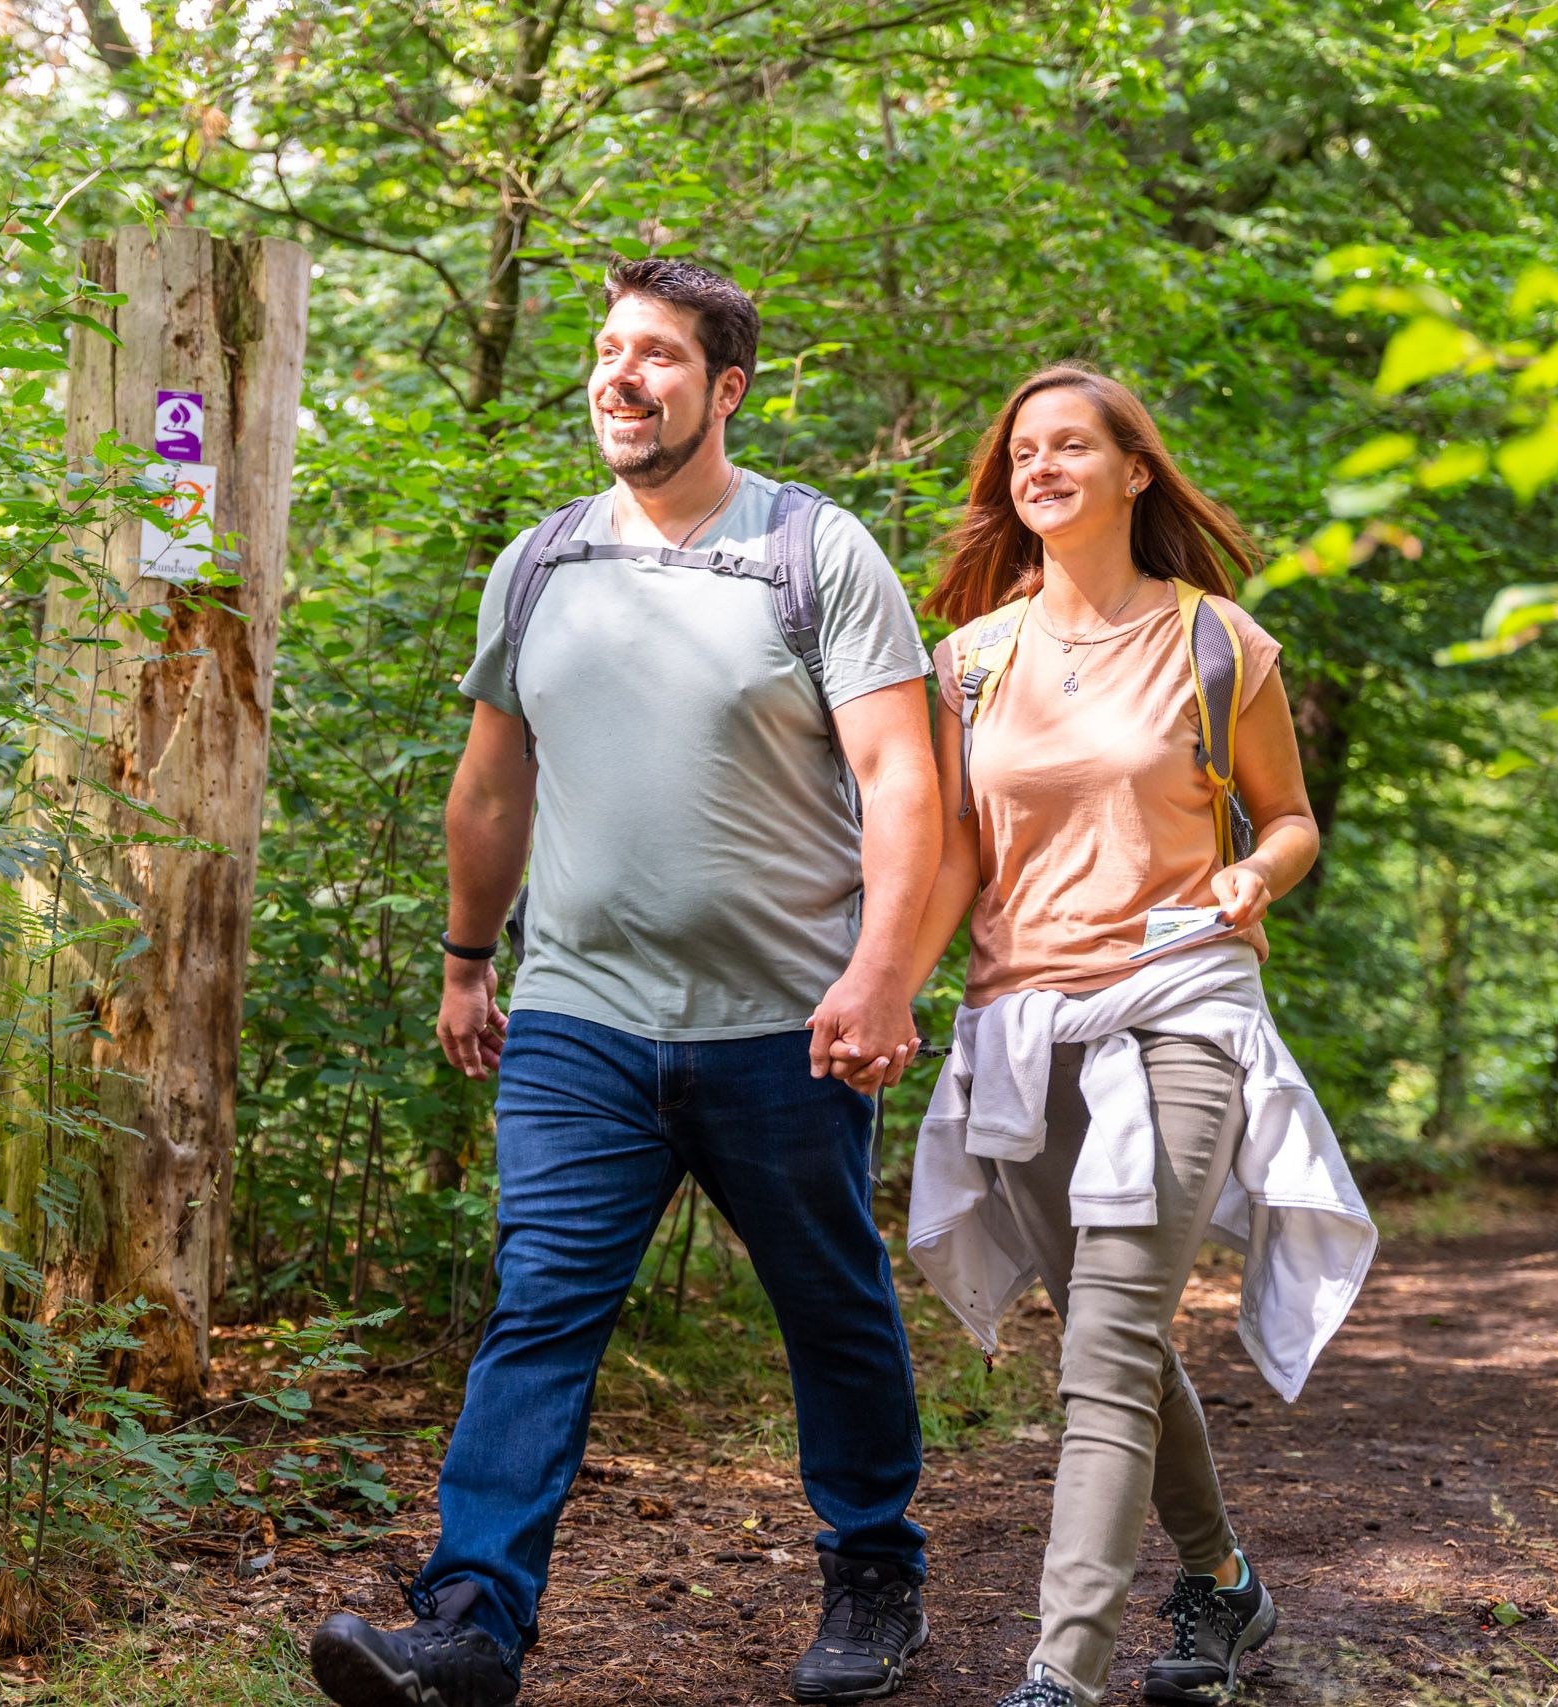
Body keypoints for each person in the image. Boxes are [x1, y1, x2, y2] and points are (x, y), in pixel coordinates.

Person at [306, 258, 941, 1707]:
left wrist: (883, 974)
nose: (619, 375)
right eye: (606, 349)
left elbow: (902, 779)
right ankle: (470, 1626)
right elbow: (491, 787)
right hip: (578, 1021)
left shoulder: (816, 550)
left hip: (786, 1024)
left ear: (726, 388)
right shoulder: (539, 565)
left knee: (830, 1304)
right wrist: (468, 962)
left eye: (656, 354)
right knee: (537, 1307)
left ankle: (873, 1573)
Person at [891, 365, 1377, 1707]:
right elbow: (956, 858)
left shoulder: (1219, 642)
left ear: (1134, 471)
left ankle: (1063, 1672)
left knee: (1103, 1350)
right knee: (1115, 1340)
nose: (1039, 468)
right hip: (1021, 1027)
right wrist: (889, 994)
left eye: (1069, 446)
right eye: (1021, 454)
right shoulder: (972, 661)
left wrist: (1254, 875)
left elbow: (1289, 819)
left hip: (1180, 1008)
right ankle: (1224, 1584)